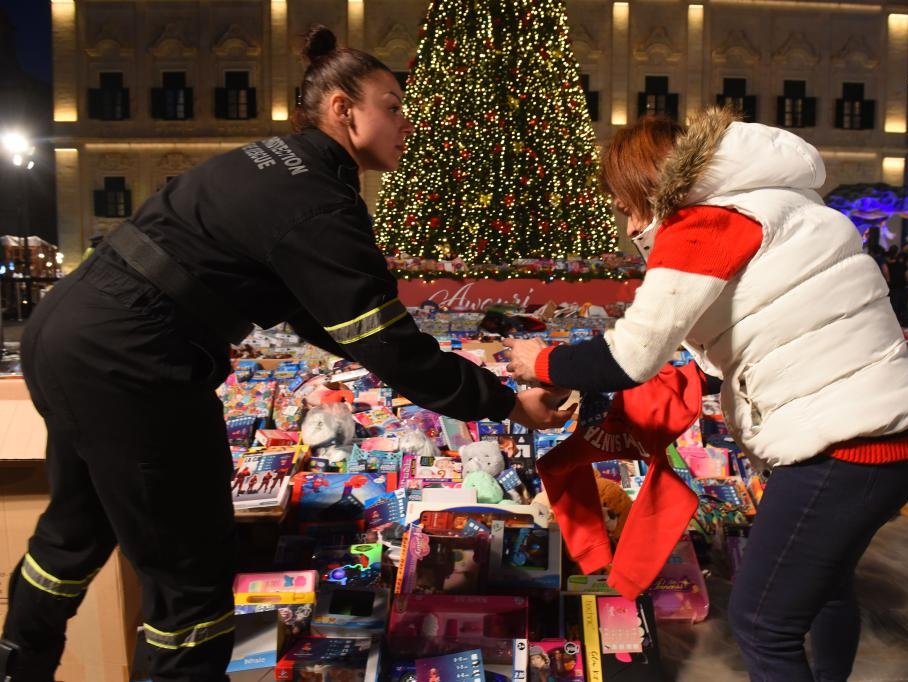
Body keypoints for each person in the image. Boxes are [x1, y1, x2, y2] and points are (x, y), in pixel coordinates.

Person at [0, 26, 572, 682]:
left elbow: (327, 319)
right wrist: (507, 403)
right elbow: (387, 346)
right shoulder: (319, 201)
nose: (405, 123)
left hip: (69, 330)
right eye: (392, 105)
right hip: (133, 361)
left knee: (72, 534)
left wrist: (393, 350)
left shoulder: (271, 163)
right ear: (341, 109)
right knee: (193, 585)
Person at [504, 109, 908, 682]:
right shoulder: (792, 208)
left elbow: (629, 355)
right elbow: (773, 329)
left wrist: (539, 360)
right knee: (827, 589)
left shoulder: (704, 223)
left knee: (763, 624)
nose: (628, 223)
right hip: (902, 439)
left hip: (843, 451)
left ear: (646, 186)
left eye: (624, 204)